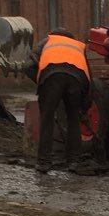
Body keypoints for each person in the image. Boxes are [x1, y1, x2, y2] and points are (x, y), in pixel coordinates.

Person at [26, 27, 91, 173]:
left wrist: (42, 82)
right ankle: (74, 162)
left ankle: (44, 163)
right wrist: (85, 105)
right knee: (73, 120)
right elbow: (88, 78)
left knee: (47, 119)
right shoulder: (79, 46)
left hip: (51, 77)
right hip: (77, 80)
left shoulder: (47, 41)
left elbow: (27, 66)